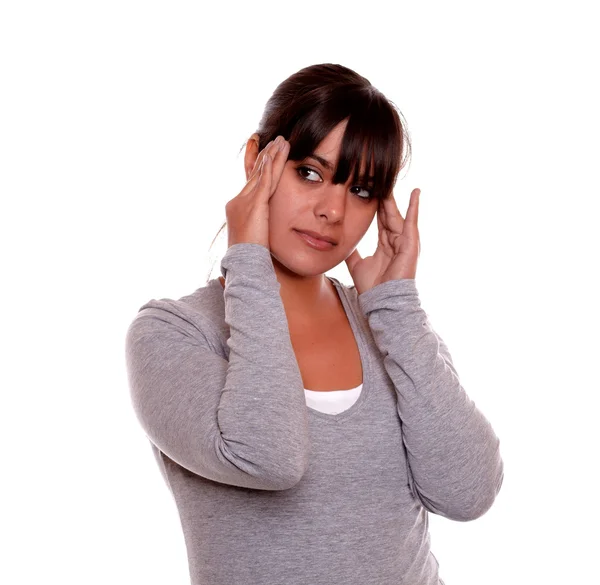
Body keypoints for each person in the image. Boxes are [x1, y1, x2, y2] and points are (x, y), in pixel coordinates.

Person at [124, 63, 504, 585]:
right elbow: (269, 456)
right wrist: (249, 259)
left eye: (362, 190)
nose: (333, 210)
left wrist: (396, 307)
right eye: (310, 173)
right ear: (258, 160)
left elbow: (468, 492)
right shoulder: (173, 334)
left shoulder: (391, 329)